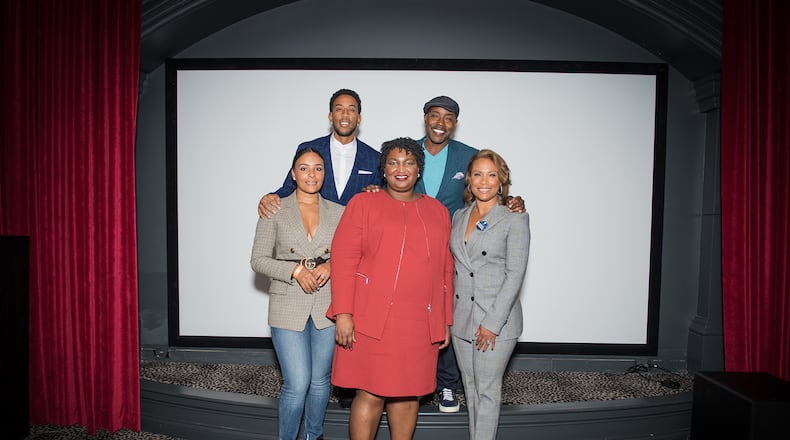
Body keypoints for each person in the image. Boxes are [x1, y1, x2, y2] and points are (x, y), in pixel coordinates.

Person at [256, 88, 380, 409]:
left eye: (351, 109)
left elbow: (380, 204)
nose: (344, 115)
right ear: (330, 115)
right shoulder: (308, 151)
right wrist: (269, 196)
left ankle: (348, 389)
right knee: (304, 377)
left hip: (348, 258)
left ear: (359, 117)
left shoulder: (373, 157)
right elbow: (289, 187)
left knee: (347, 326)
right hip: (311, 248)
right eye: (339, 109)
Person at [326, 137, 454, 440]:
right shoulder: (363, 203)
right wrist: (343, 313)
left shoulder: (438, 212)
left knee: (409, 396)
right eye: (393, 162)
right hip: (371, 322)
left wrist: (444, 321)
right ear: (383, 170)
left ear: (418, 170)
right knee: (370, 395)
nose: (401, 169)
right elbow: (343, 260)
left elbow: (446, 271)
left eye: (409, 162)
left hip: (419, 325)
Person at [250, 148, 345, 440]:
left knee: (319, 383)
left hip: (326, 305)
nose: (311, 174)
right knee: (297, 382)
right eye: (304, 168)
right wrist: (294, 271)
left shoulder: (339, 212)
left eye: (317, 168)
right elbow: (258, 260)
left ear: (324, 174)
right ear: (293, 174)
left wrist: (331, 264)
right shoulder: (274, 209)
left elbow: (352, 255)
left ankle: (313, 436)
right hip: (287, 303)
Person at [449, 149, 530, 440]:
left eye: (491, 174)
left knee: (487, 392)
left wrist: (491, 325)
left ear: (501, 180)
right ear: (469, 180)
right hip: (462, 320)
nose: (484, 181)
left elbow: (515, 275)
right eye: (478, 174)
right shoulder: (459, 216)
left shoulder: (513, 217)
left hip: (494, 323)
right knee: (470, 390)